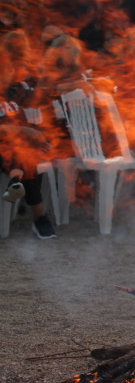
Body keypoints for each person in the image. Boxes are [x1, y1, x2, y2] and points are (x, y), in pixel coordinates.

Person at [0, 31, 57, 238]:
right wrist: (23, 131)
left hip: (14, 148)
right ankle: (39, 217)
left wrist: (35, 135)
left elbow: (28, 121)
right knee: (18, 147)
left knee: (24, 150)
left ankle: (15, 182)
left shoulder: (15, 94)